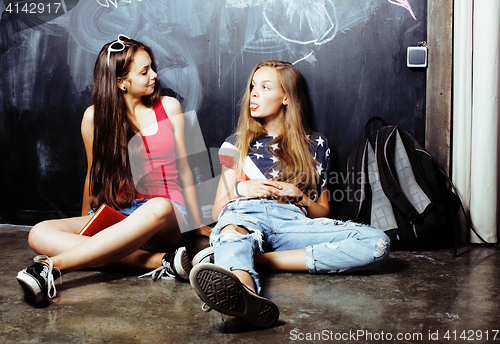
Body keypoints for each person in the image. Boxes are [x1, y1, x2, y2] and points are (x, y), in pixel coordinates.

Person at [189, 60, 390, 328]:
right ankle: (244, 295)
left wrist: (298, 195)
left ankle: (248, 259)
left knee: (377, 243)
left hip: (293, 223)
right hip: (244, 217)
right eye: (252, 86)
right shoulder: (235, 143)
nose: (254, 93)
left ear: (286, 96)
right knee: (230, 233)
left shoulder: (316, 144)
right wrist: (241, 189)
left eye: (265, 87)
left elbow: (323, 211)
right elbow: (217, 212)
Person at [16, 35, 210, 306]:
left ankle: (49, 267)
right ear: (121, 82)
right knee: (38, 232)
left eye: (152, 67)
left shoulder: (170, 107)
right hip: (118, 212)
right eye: (145, 71)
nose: (154, 75)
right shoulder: (93, 118)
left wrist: (198, 221)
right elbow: (92, 174)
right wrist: (87, 222)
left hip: (166, 216)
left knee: (157, 207)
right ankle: (161, 263)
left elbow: (186, 169)